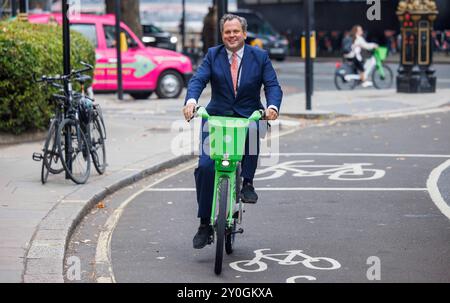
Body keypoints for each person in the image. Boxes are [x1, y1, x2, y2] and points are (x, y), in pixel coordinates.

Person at [182, 14, 283, 249]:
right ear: (222, 35)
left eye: (236, 31)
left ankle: (247, 182)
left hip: (248, 114)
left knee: (254, 127)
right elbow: (198, 80)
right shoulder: (212, 55)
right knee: (206, 167)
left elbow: (272, 85)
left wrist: (272, 106)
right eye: (227, 32)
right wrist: (191, 101)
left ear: (244, 34)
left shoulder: (260, 56)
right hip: (217, 117)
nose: (232, 35)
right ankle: (205, 224)